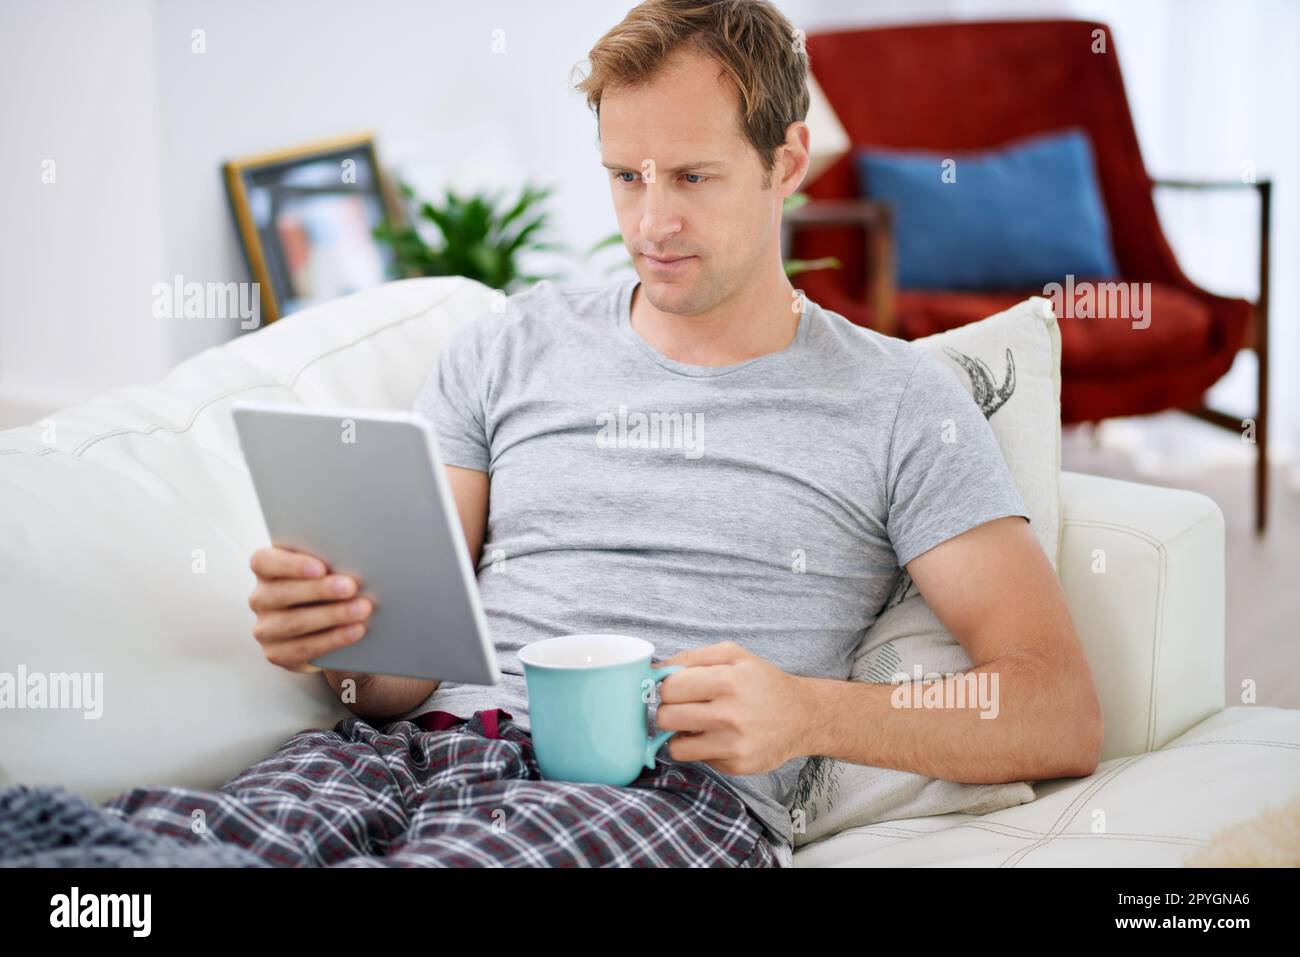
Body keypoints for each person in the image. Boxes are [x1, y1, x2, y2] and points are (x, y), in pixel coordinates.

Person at [245, 0, 1103, 868]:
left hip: (656, 797)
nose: (651, 224)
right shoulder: (505, 346)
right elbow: (396, 685)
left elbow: (1056, 709)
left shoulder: (900, 400)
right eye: (626, 176)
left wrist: (808, 713)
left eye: (692, 177)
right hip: (397, 758)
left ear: (787, 162)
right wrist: (342, 640)